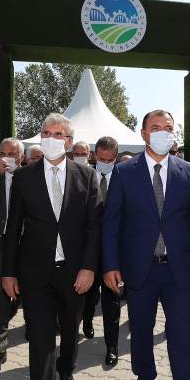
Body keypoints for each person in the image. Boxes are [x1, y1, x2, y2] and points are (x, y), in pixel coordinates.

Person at [103, 109, 190, 380]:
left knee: (184, 340)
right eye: (156, 127)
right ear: (143, 133)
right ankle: (145, 379)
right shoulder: (124, 172)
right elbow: (112, 222)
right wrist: (110, 264)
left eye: (169, 127)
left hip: (180, 271)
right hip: (140, 270)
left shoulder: (189, 171)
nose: (164, 132)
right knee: (140, 331)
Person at [1, 113, 100, 380]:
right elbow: (13, 226)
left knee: (70, 330)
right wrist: (8, 272)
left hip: (74, 273)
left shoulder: (87, 176)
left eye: (58, 134)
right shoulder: (24, 176)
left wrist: (89, 267)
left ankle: (67, 369)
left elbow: (94, 227)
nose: (51, 137)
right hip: (35, 275)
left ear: (69, 142)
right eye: (46, 132)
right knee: (40, 344)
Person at [0, 137, 24, 377]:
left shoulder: (30, 177)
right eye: (3, 153)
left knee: (25, 293)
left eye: (12, 153)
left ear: (21, 157)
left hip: (26, 248)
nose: (7, 157)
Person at [82, 136, 123, 366]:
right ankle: (87, 321)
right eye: (101, 159)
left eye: (110, 160)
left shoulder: (124, 177)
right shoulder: (83, 176)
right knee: (88, 295)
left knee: (112, 301)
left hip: (114, 252)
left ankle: (112, 347)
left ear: (116, 157)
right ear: (94, 155)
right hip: (89, 249)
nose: (105, 163)